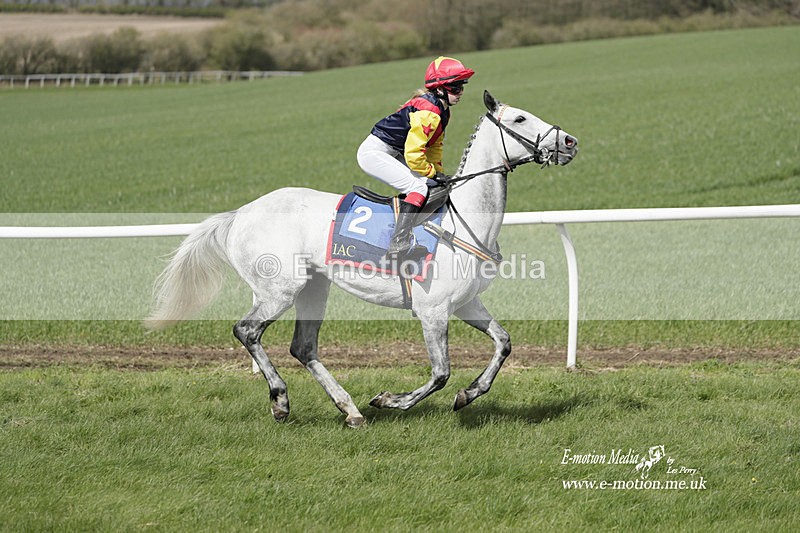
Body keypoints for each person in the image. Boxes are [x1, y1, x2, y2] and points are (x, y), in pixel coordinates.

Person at [357, 56, 475, 259]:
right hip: (375, 152)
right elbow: (414, 154)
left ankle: (414, 235)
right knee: (418, 187)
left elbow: (434, 147)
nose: (461, 92)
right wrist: (432, 173)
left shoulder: (442, 111)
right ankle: (398, 244)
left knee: (433, 185)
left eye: (461, 86)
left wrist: (438, 173)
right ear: (439, 89)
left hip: (395, 152)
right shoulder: (429, 111)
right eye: (455, 87)